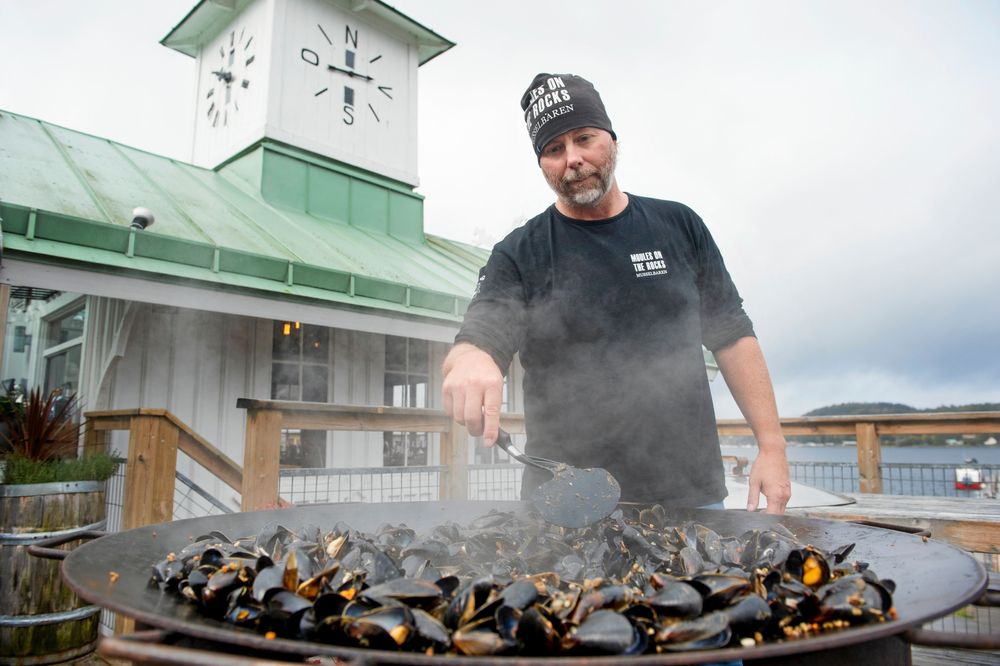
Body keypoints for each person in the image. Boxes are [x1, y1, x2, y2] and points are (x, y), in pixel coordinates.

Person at [442, 73, 791, 514]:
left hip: (690, 495)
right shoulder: (518, 252)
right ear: (542, 164)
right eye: (554, 149)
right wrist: (471, 358)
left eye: (584, 138)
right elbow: (482, 331)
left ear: (612, 140)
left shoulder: (680, 226)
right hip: (564, 503)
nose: (573, 159)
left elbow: (732, 335)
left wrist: (772, 447)